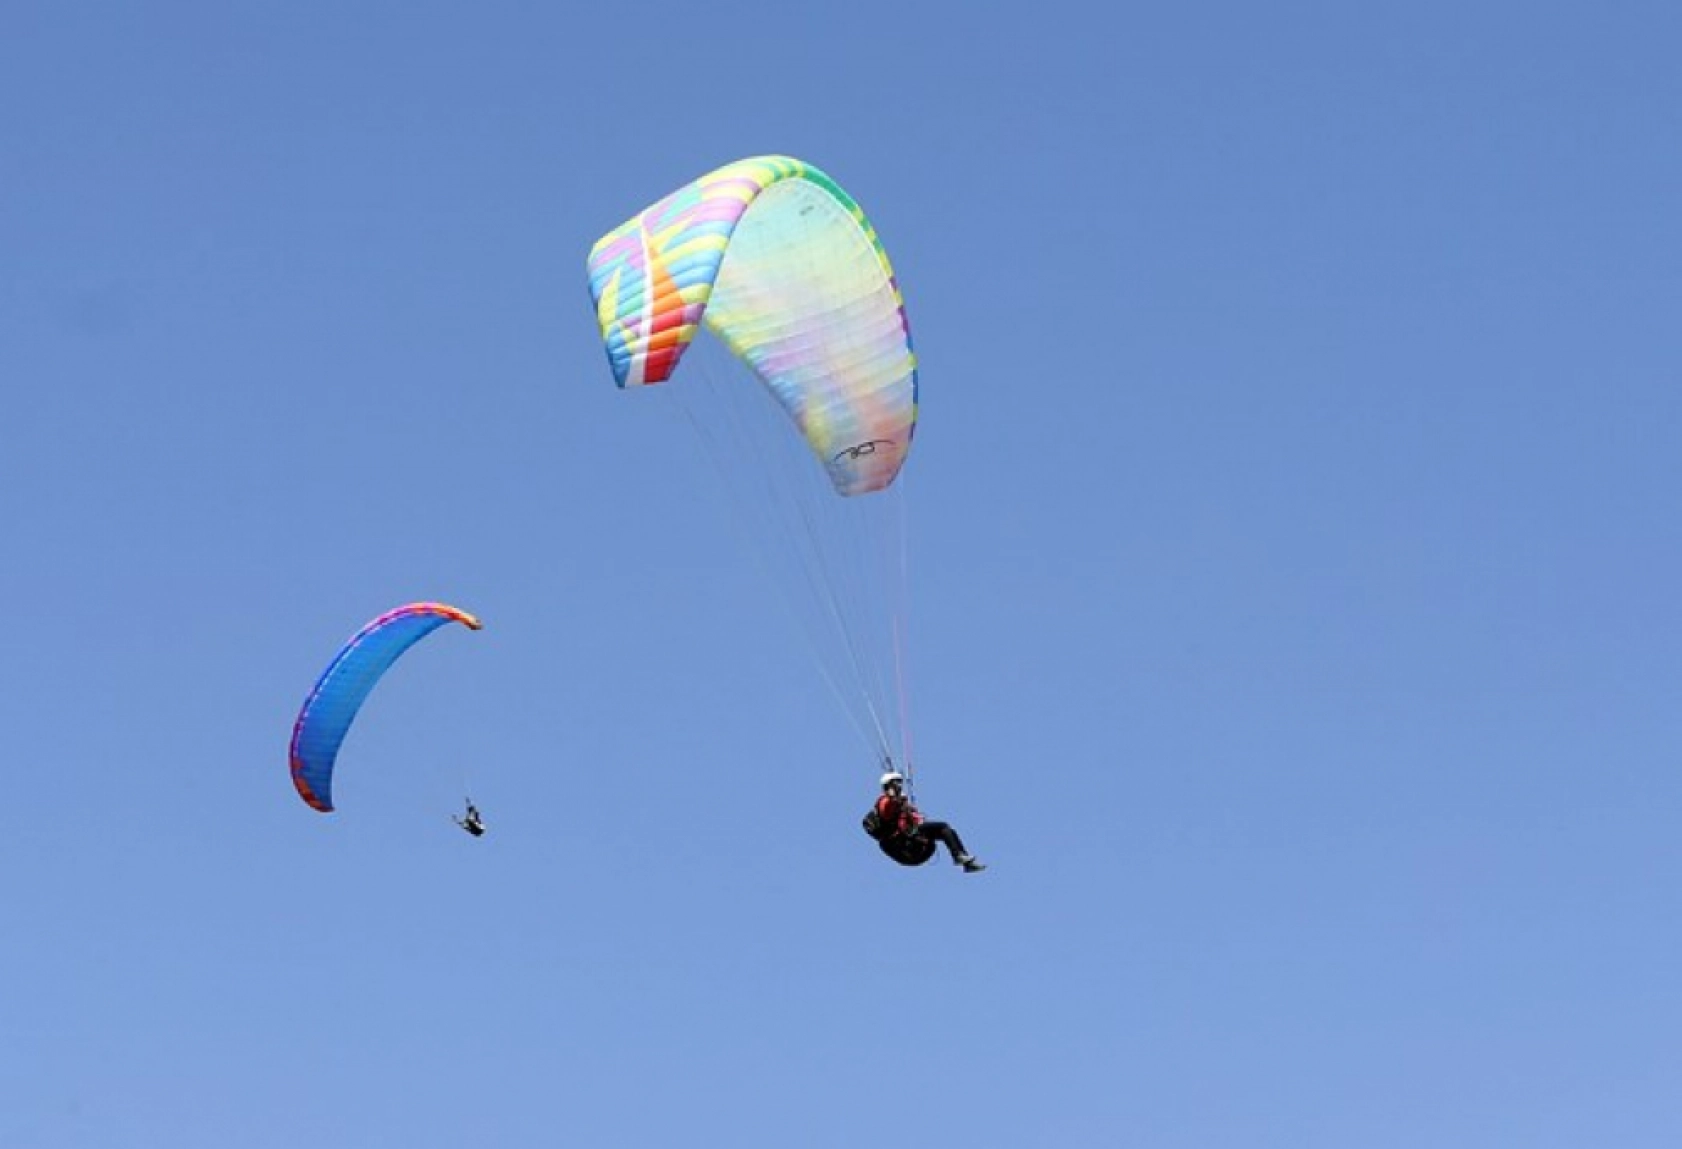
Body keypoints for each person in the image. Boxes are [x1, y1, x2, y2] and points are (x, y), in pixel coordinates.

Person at [869, 771, 985, 872]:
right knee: (942, 827)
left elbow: (914, 820)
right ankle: (958, 857)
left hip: (915, 848)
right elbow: (887, 809)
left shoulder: (901, 803)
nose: (900, 786)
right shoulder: (884, 802)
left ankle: (964, 860)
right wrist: (895, 799)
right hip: (904, 844)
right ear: (889, 785)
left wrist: (910, 811)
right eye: (896, 783)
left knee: (947, 831)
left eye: (900, 783)